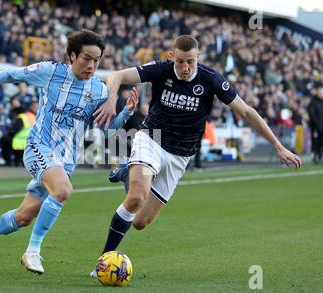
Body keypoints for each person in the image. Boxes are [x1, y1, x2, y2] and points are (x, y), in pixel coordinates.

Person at [91, 35, 302, 276]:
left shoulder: (211, 79)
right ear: (172, 56)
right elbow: (116, 75)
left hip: (180, 155)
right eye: (179, 61)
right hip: (153, 138)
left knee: (140, 222)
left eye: (190, 61)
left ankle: (127, 173)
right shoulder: (160, 69)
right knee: (137, 196)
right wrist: (110, 100)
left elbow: (245, 111)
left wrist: (278, 146)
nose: (184, 68)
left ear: (198, 57)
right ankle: (102, 263)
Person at [0, 29, 138, 275]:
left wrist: (127, 113)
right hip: (39, 147)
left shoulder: (99, 91)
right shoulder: (50, 72)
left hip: (66, 161)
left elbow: (104, 129)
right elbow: (9, 74)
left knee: (23, 217)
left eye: (97, 60)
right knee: (62, 190)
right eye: (86, 58)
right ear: (72, 55)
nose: (92, 65)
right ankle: (32, 252)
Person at [0, 101, 37, 167]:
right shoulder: (32, 116)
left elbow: (14, 131)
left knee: (4, 140)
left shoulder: (21, 117)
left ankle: (8, 162)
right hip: (32, 140)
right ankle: (18, 161)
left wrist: (9, 133)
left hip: (20, 141)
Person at [308, 83, 323, 164]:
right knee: (315, 141)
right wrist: (318, 125)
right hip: (316, 127)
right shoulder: (313, 102)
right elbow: (313, 116)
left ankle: (320, 156)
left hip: (322, 127)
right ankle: (315, 156)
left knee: (321, 142)